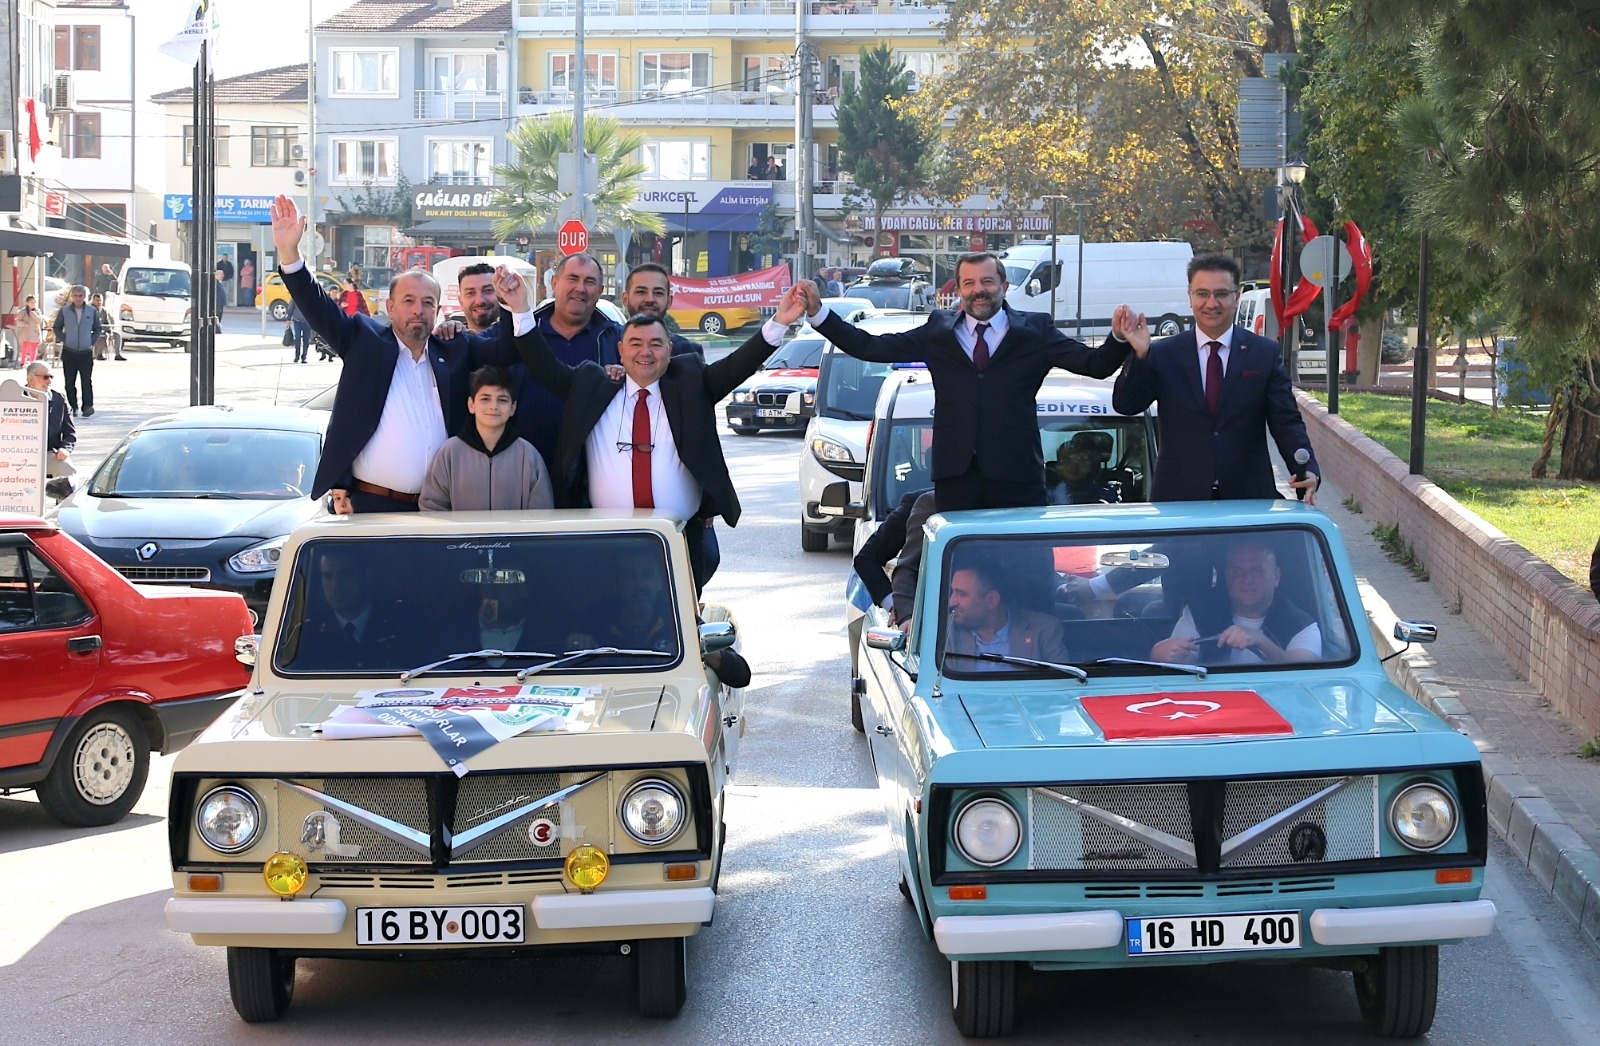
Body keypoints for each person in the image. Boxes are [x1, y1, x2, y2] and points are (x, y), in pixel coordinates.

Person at [503, 278, 807, 592]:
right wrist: (521, 309)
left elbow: (736, 366)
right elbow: (544, 367)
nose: (645, 352)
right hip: (606, 540)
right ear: (620, 350)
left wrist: (780, 321)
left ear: (669, 349)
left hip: (676, 539)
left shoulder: (691, 385)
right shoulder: (592, 385)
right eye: (635, 343)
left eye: (655, 344)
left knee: (680, 627)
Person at [794, 253, 1133, 509]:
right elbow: (869, 346)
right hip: (956, 480)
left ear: (1004, 286)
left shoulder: (1035, 332)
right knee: (963, 580)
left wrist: (1118, 339)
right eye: (969, 284)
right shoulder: (938, 332)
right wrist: (819, 314)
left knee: (1022, 575)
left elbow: (1095, 365)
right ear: (958, 290)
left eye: (987, 282)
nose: (979, 291)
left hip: (1018, 479)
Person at [268, 194, 520, 512]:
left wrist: (514, 305)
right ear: (390, 307)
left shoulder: (455, 350)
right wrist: (290, 253)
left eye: (428, 303)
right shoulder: (365, 343)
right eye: (409, 301)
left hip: (443, 507)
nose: (418, 310)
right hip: (373, 505)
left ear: (438, 310)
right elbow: (318, 308)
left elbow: (506, 351)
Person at [1112, 253, 1320, 504]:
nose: (1212, 303)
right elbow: (1126, 405)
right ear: (1190, 297)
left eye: (1221, 294)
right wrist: (1139, 356)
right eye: (1202, 294)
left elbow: (1286, 420)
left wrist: (1306, 468)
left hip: (1248, 497)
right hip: (1179, 498)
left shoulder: (1263, 353)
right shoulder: (1162, 354)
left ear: (1237, 296)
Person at [624, 262, 720, 587]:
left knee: (695, 570)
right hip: (619, 503)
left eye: (658, 292)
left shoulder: (689, 353)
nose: (649, 299)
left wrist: (706, 503)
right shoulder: (607, 343)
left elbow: (703, 428)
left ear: (669, 299)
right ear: (626, 297)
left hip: (677, 503)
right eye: (641, 291)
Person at [516, 253, 624, 470]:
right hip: (523, 469)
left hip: (591, 474)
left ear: (600, 292)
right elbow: (476, 347)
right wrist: (454, 329)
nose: (580, 288)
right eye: (572, 279)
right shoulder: (521, 331)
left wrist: (626, 375)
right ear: (554, 283)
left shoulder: (618, 340)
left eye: (589, 282)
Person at [1151, 539, 1321, 666]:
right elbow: (1184, 664)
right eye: (1237, 571)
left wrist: (1261, 641)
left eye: (1257, 571)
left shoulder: (1302, 625)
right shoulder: (1200, 611)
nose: (1247, 580)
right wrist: (1160, 655)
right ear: (1226, 577)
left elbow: (1304, 673)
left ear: (1276, 577)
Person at [419, 365, 555, 512]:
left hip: (512, 535)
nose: (493, 407)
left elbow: (541, 513)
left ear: (513, 408)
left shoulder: (528, 455)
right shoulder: (450, 453)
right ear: (471, 405)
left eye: (502, 400)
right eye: (485, 399)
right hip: (463, 535)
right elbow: (432, 507)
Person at [943, 558, 1069, 669]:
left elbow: (1062, 684)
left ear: (991, 600)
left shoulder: (1043, 629)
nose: (951, 602)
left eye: (961, 594)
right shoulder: (945, 632)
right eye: (953, 592)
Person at [296, 547, 398, 670]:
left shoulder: (401, 624)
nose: (336, 585)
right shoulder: (307, 635)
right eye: (327, 576)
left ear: (366, 575)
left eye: (346, 574)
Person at [26, 362, 76, 502]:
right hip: (18, 453)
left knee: (68, 470)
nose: (49, 382)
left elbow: (70, 433)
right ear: (31, 379)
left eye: (51, 377)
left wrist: (65, 449)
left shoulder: (59, 399)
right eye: (45, 377)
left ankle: (62, 513)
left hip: (48, 453)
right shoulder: (14, 397)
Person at [51, 285, 100, 417]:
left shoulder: (92, 311)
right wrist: (64, 339)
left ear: (85, 297)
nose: (78, 298)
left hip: (85, 351)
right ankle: (73, 406)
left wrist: (91, 341)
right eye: (76, 296)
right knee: (69, 381)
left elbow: (97, 328)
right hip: (69, 351)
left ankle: (88, 406)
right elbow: (56, 327)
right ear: (72, 296)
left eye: (81, 296)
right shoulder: (65, 311)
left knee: (86, 380)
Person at [1045, 433, 1120, 505]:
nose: (1073, 466)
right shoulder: (1047, 492)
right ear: (1058, 466)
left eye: (1080, 460)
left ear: (1090, 464)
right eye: (1066, 461)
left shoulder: (1108, 492)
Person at [11, 295, 44, 367]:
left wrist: (32, 313)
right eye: (32, 302)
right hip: (26, 333)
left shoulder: (37, 311)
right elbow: (18, 321)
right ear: (27, 303)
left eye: (34, 302)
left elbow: (39, 320)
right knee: (25, 348)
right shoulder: (22, 311)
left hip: (35, 333)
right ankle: (23, 362)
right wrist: (23, 324)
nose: (33, 304)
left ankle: (32, 363)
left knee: (34, 349)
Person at [286, 297, 313, 363]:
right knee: (297, 338)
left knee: (306, 340)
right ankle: (296, 356)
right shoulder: (295, 297)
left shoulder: (311, 298)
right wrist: (288, 319)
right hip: (297, 321)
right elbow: (290, 308)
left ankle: (304, 357)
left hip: (308, 322)